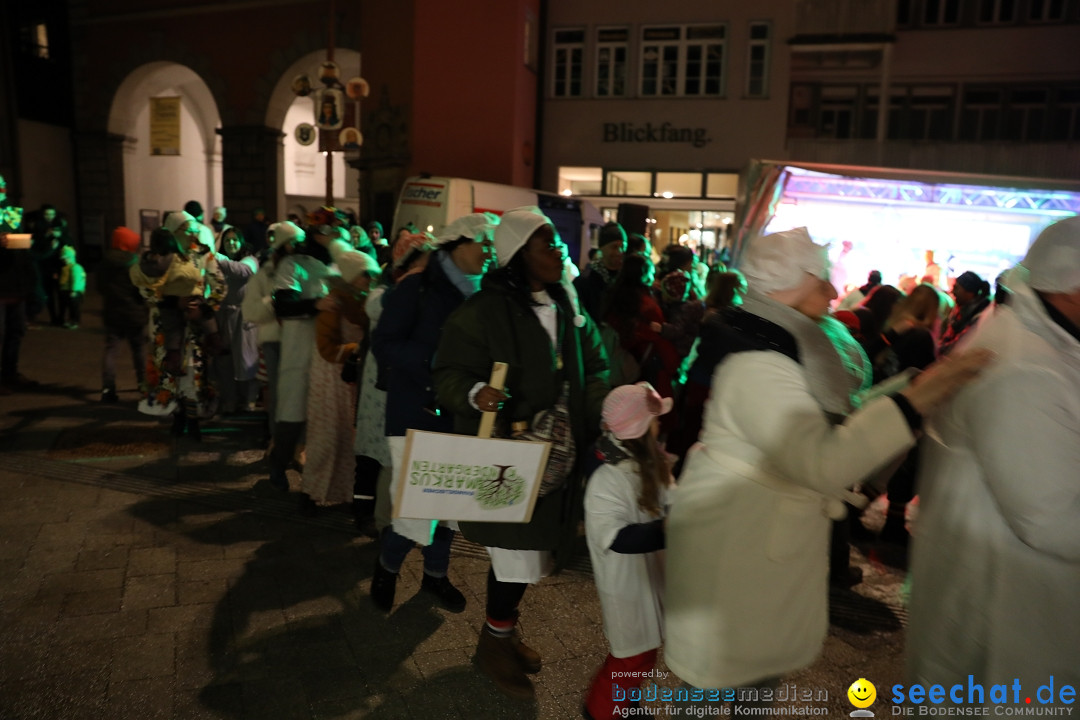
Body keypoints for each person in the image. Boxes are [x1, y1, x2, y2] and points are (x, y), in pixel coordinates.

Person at [664, 226, 993, 696]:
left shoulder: (775, 348)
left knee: (745, 680)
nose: (834, 291)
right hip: (740, 553)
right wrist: (914, 401)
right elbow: (822, 459)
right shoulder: (760, 361)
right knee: (718, 683)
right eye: (820, 279)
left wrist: (906, 391)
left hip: (749, 545)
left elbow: (822, 427)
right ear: (788, 287)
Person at [433, 206, 609, 700]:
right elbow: (447, 371)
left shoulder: (567, 305)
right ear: (516, 255)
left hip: (558, 457)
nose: (559, 251)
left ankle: (501, 634)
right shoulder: (483, 311)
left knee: (530, 555)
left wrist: (605, 406)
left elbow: (594, 366)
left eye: (557, 243)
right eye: (545, 244)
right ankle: (494, 643)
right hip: (508, 460)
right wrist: (474, 393)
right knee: (517, 557)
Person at [907, 216, 1080, 693]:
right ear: (1072, 287)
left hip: (1009, 597)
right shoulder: (1028, 368)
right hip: (1008, 613)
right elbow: (1051, 519)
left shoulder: (1039, 343)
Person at [368, 213, 498, 613]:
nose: (490, 254)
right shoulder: (418, 288)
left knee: (450, 505)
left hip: (461, 414)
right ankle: (387, 567)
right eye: (484, 245)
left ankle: (435, 576)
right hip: (415, 413)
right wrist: (435, 362)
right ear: (458, 243)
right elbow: (384, 343)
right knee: (415, 506)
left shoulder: (487, 293)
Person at [582, 382, 673, 720]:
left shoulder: (651, 464)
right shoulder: (607, 479)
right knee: (632, 657)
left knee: (640, 654)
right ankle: (602, 711)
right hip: (627, 587)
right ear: (641, 426)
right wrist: (668, 528)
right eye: (655, 418)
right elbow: (616, 537)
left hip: (648, 579)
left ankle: (625, 703)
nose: (660, 424)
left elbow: (671, 500)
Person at [300, 232, 378, 514]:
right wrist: (358, 347)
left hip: (349, 378)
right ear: (350, 276)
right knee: (328, 437)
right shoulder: (334, 304)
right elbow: (326, 348)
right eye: (365, 275)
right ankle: (314, 491)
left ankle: (344, 492)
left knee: (349, 438)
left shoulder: (361, 302)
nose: (370, 280)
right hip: (331, 379)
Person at [131, 219, 225, 438]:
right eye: (186, 230)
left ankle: (192, 421)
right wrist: (170, 302)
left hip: (193, 324)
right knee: (170, 373)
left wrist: (205, 307)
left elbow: (219, 284)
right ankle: (178, 417)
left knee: (191, 371)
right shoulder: (157, 258)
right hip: (164, 325)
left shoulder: (203, 255)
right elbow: (144, 291)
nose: (192, 234)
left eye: (193, 230)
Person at [267, 220, 332, 491]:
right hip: (298, 353)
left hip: (324, 355)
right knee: (292, 418)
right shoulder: (290, 265)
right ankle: (278, 464)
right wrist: (316, 304)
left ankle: (316, 480)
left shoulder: (329, 265)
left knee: (322, 422)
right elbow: (284, 305)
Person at [212, 226, 259, 414]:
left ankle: (249, 400)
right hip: (224, 315)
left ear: (241, 242)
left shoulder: (250, 260)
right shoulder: (219, 263)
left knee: (247, 359)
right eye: (227, 241)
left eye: (234, 240)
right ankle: (229, 399)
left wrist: (218, 257)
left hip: (244, 317)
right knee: (225, 362)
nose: (231, 243)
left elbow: (242, 271)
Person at [99, 227, 148, 403]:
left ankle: (108, 389)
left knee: (111, 350)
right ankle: (143, 387)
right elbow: (141, 290)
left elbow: (100, 287)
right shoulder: (135, 264)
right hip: (134, 314)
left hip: (113, 312)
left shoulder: (105, 262)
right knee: (138, 350)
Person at [0, 174, 37, 394]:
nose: (2, 192)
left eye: (3, 187)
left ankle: (9, 373)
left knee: (15, 332)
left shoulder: (12, 213)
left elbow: (25, 251)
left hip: (15, 285)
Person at [575, 221, 627, 322]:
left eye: (623, 247)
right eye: (614, 247)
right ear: (602, 248)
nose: (619, 252)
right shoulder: (585, 282)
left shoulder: (625, 280)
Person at [940, 270, 991, 354]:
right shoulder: (960, 309)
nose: (953, 292)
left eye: (956, 288)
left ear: (969, 292)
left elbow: (959, 345)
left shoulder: (978, 316)